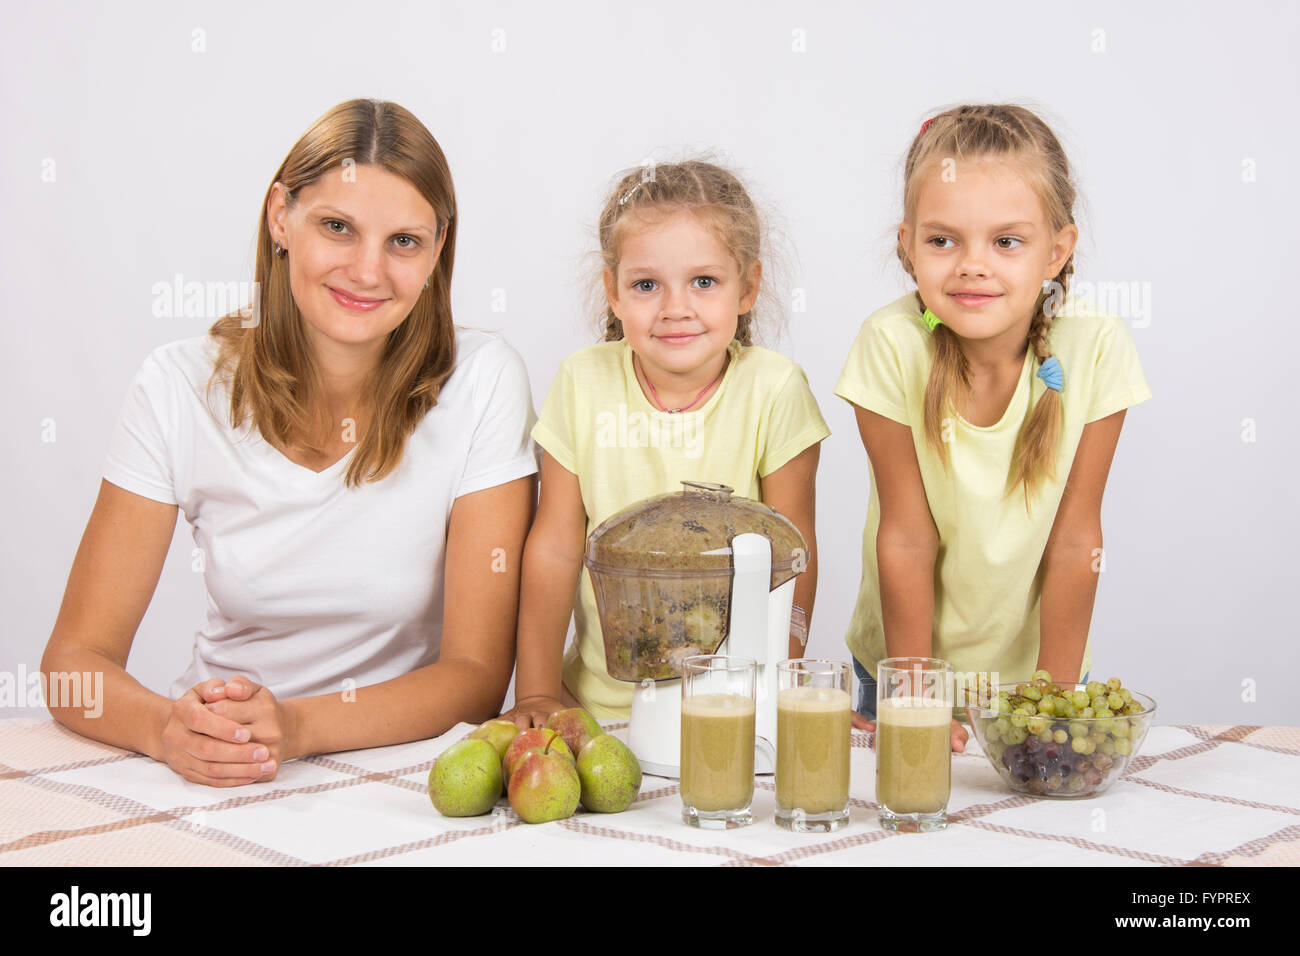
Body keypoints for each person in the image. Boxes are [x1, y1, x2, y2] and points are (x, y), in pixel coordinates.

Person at [41, 99, 538, 787]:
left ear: (438, 249)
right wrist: (167, 729)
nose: (368, 271)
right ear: (281, 217)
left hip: (391, 775)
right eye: (338, 227)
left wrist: (295, 727)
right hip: (211, 761)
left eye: (404, 241)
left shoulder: (482, 381)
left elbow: (476, 679)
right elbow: (73, 666)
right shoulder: (177, 387)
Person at [836, 105, 1150, 750]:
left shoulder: (1095, 346)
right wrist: (915, 693)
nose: (972, 265)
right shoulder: (893, 344)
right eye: (942, 240)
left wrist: (1055, 702)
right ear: (907, 245)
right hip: (902, 666)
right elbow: (906, 536)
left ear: (1056, 251)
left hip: (1038, 677)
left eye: (1006, 242)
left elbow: (1075, 538)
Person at [504, 160, 830, 726]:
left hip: (731, 708)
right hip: (599, 707)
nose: (675, 307)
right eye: (646, 284)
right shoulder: (582, 383)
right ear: (613, 290)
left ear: (747, 288)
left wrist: (777, 688)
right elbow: (556, 547)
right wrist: (535, 694)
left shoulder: (774, 390)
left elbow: (793, 557)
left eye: (704, 282)